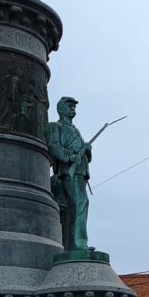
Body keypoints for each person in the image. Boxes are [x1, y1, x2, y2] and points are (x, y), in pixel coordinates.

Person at [47, 97, 92, 251]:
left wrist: (87, 150)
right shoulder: (55, 126)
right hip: (69, 171)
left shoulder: (76, 130)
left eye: (74, 106)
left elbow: (82, 153)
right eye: (69, 105)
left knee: (77, 205)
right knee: (79, 204)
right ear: (60, 109)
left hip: (80, 171)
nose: (73, 108)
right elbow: (54, 147)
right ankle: (79, 244)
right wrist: (69, 156)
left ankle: (74, 244)